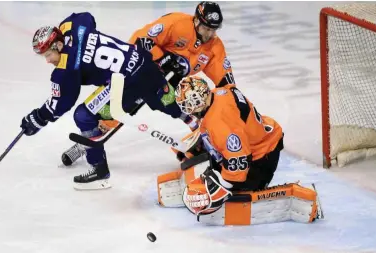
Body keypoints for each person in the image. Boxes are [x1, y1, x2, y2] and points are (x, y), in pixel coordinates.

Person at [21, 12, 181, 190]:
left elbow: (61, 104)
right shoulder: (72, 26)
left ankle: (99, 170)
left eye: (49, 54)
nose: (48, 60)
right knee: (169, 102)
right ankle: (200, 130)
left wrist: (37, 118)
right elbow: (87, 17)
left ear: (59, 44)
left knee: (83, 116)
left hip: (128, 84)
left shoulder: (66, 67)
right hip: (143, 62)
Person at [62, 1, 234, 165]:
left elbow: (225, 80)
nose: (209, 34)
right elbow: (141, 40)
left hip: (170, 82)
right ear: (196, 20)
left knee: (195, 99)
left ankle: (211, 141)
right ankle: (86, 143)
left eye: (213, 30)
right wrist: (162, 58)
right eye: (206, 28)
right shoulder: (176, 23)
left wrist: (235, 103)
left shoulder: (215, 47)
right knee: (113, 110)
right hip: (141, 70)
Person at [156, 76, 321, 226]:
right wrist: (196, 149)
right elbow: (218, 132)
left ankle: (286, 195)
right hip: (256, 138)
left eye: (188, 105)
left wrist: (224, 186)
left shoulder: (220, 124)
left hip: (262, 154)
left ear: (198, 100)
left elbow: (240, 161)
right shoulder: (218, 93)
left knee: (237, 192)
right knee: (215, 171)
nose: (188, 110)